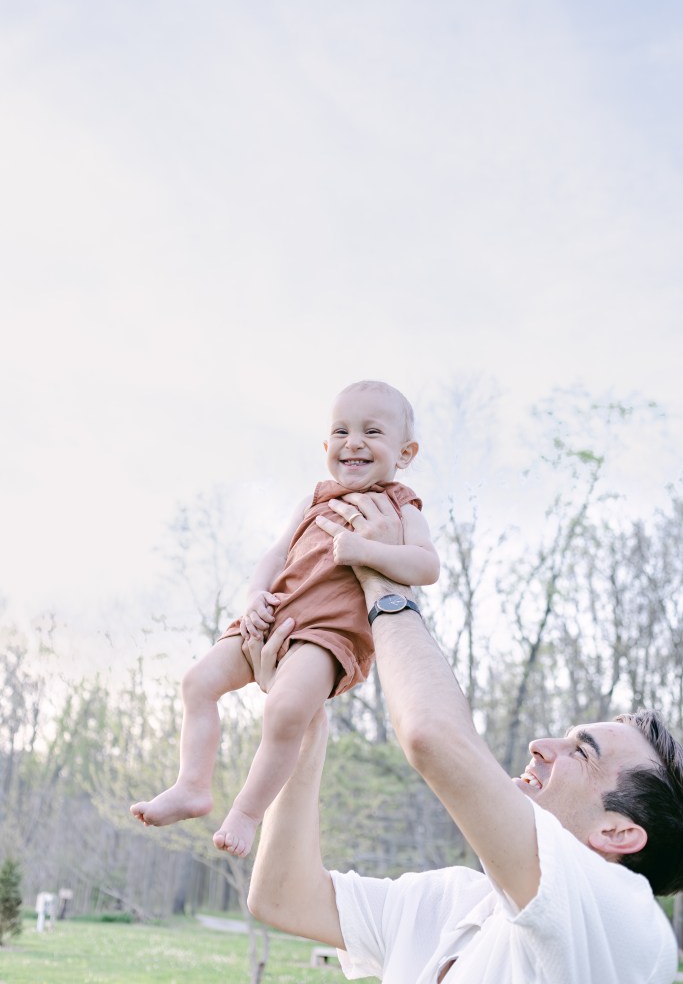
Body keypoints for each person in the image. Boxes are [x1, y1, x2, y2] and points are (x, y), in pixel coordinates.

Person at [247, 491, 683, 984]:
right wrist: (301, 719)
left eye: (581, 753)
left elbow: (432, 736)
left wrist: (385, 582)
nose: (541, 745)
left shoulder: (627, 925)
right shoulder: (455, 902)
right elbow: (283, 896)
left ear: (617, 833)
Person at [130, 380, 439, 857]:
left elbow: (427, 566)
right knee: (197, 682)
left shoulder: (402, 504)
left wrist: (368, 551)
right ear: (326, 446)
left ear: (406, 451)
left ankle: (248, 813)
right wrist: (255, 595)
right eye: (341, 431)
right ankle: (192, 785)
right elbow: (276, 555)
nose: (353, 441)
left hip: (328, 635)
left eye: (371, 431)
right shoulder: (316, 497)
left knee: (286, 709)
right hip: (272, 617)